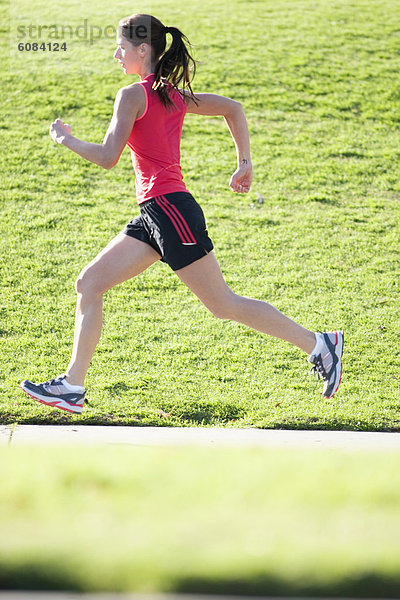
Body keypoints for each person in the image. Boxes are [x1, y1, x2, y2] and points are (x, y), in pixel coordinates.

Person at [20, 13, 343, 414]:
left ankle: (319, 345)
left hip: (170, 209)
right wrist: (244, 162)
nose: (116, 54)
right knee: (89, 283)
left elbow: (107, 157)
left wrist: (64, 138)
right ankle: (72, 385)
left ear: (143, 50)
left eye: (122, 47)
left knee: (223, 304)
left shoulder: (133, 94)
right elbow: (233, 109)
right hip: (154, 214)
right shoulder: (172, 94)